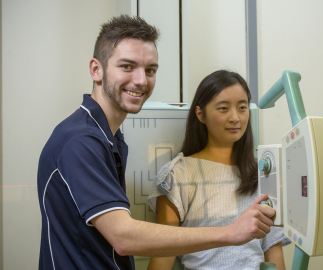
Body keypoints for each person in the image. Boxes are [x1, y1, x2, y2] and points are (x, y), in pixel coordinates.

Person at [37, 15, 276, 270]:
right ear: (96, 69)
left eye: (150, 70)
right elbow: (124, 237)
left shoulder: (111, 139)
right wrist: (230, 233)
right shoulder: (80, 141)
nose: (141, 80)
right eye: (127, 66)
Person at [147, 70, 288, 270]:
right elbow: (162, 256)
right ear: (200, 114)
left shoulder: (262, 174)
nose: (235, 118)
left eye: (242, 108)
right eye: (223, 109)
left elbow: (273, 252)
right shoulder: (178, 174)